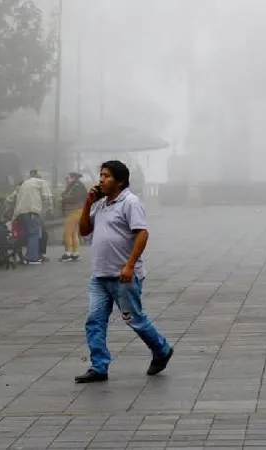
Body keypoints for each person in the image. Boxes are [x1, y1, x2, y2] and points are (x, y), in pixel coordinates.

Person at [75, 160, 173, 383]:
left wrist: (129, 265)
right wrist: (88, 203)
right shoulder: (101, 204)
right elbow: (84, 230)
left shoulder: (130, 202)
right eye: (100, 175)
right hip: (99, 276)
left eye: (107, 176)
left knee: (134, 319)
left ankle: (162, 349)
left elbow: (142, 234)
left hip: (123, 277)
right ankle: (99, 366)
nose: (101, 179)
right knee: (94, 320)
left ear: (120, 181)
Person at [12, 170, 53, 264]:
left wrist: (14, 217)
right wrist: (48, 209)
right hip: (32, 212)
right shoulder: (42, 182)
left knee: (29, 234)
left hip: (21, 214)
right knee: (34, 234)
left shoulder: (25, 183)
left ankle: (29, 255)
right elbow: (47, 197)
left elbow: (16, 199)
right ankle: (32, 258)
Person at [60, 172, 87, 262]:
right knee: (74, 233)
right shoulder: (75, 186)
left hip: (74, 211)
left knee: (67, 232)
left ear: (73, 178)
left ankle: (68, 253)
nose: (66, 180)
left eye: (67, 178)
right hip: (76, 211)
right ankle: (75, 253)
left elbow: (76, 198)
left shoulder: (77, 186)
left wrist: (64, 198)